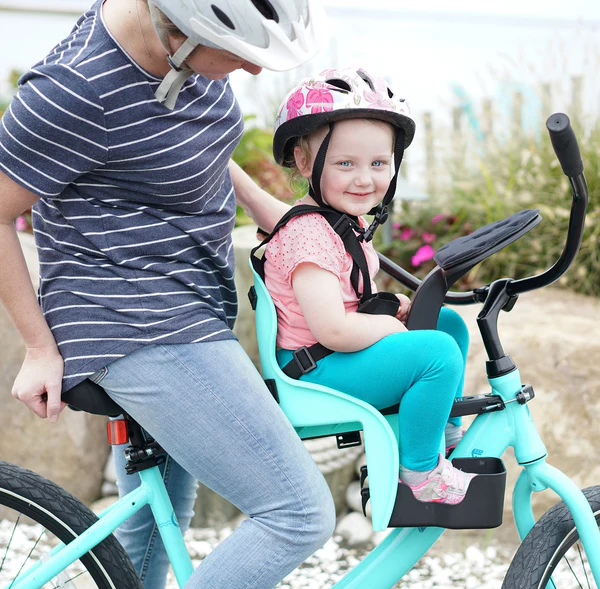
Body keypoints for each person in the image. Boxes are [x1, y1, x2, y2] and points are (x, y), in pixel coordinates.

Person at [0, 1, 337, 588]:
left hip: (187, 301)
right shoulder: (76, 90)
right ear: (178, 32)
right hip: (135, 317)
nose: (254, 72)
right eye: (239, 54)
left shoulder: (172, 47)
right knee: (296, 515)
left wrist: (268, 210)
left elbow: (178, 140)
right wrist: (37, 345)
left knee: (155, 535)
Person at [262, 67, 474, 505]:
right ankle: (420, 472)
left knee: (447, 324)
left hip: (333, 356)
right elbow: (333, 329)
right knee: (436, 354)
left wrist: (387, 304)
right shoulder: (309, 234)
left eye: (379, 163)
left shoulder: (339, 221)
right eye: (345, 164)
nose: (365, 179)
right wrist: (389, 329)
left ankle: (443, 431)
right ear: (305, 163)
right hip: (316, 369)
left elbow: (346, 295)